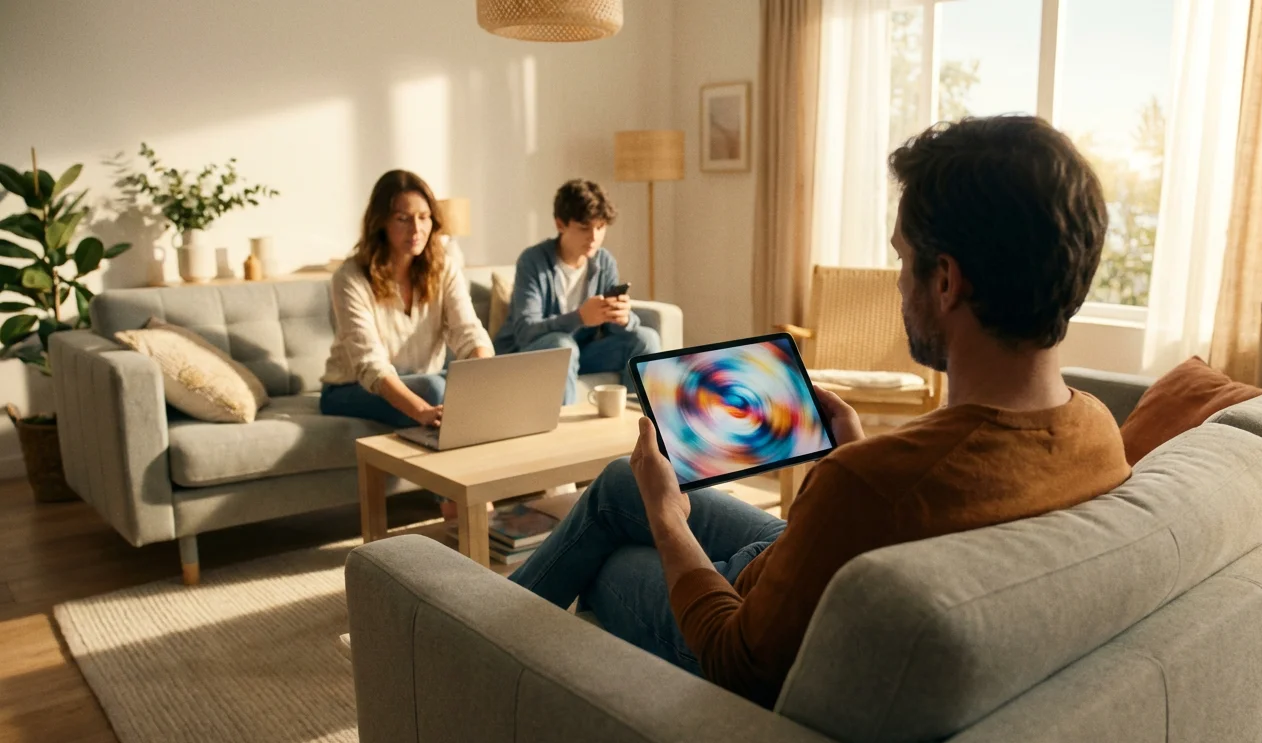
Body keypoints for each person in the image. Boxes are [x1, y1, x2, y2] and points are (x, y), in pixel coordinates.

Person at [509, 116, 1133, 708]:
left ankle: (471, 636)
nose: (897, 282)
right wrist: (850, 451)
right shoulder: (1097, 429)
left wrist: (672, 523)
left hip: (743, 627)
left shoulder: (868, 486)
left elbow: (736, 660)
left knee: (612, 553)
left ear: (946, 281)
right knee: (622, 484)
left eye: (900, 257)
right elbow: (892, 510)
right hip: (821, 577)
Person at [321, 169, 495, 520]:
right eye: (402, 219)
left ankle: (479, 501)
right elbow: (371, 365)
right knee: (436, 387)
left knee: (459, 384)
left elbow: (469, 332)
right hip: (349, 388)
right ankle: (464, 512)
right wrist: (422, 411)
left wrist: (484, 377)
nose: (415, 230)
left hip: (422, 382)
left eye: (423, 217)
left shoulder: (443, 267)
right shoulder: (350, 277)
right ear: (381, 222)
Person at [492, 179, 661, 404]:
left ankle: (642, 427)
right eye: (584, 228)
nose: (594, 237)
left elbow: (611, 329)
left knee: (646, 338)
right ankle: (566, 434)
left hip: (582, 353)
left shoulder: (604, 261)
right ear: (560, 224)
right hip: (530, 354)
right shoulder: (532, 261)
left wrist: (623, 319)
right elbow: (525, 332)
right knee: (563, 346)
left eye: (600, 227)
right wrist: (580, 317)